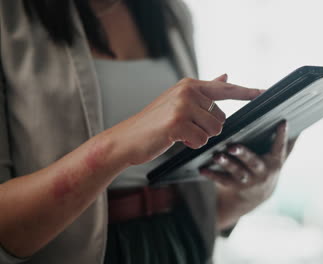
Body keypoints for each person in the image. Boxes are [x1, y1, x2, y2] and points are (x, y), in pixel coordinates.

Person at [0, 0, 297, 263]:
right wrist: (117, 147)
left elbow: (203, 211)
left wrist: (249, 192)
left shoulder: (170, 12)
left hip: (177, 243)